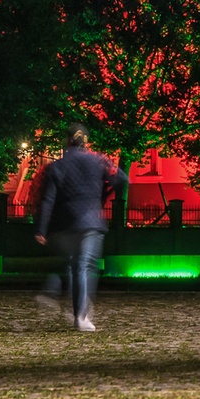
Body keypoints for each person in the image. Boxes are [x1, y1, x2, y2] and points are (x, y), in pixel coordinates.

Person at [34, 125, 126, 332]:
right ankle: (81, 314)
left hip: (66, 223)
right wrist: (102, 195)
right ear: (86, 142)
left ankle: (60, 293)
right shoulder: (98, 160)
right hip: (92, 220)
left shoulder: (57, 166)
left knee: (74, 265)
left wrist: (41, 228)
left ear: (67, 141)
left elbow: (48, 199)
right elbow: (121, 178)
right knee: (85, 266)